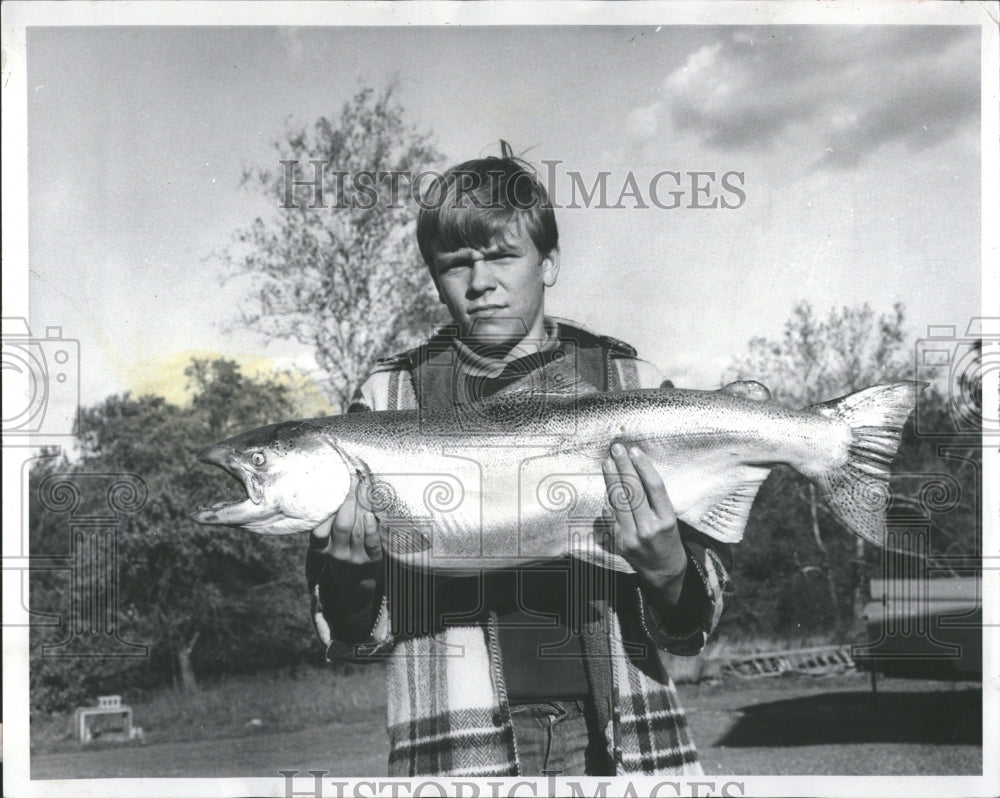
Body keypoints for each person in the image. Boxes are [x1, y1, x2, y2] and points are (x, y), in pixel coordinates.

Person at [306, 146, 733, 777]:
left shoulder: (630, 383)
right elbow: (351, 633)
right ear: (436, 278)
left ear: (549, 261)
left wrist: (668, 565)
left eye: (503, 256)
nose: (481, 284)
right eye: (456, 265)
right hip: (455, 746)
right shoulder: (384, 401)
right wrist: (353, 578)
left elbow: (695, 623)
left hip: (627, 740)